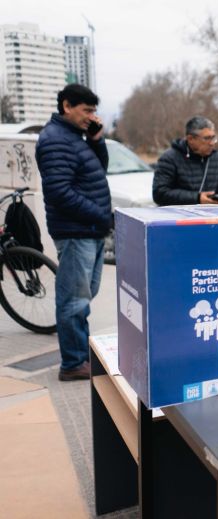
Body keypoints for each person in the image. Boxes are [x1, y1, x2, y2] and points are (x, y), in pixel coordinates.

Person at [36, 84, 112, 381]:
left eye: (94, 111)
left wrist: (96, 140)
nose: (92, 117)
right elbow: (59, 193)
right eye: (87, 111)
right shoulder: (55, 140)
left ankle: (78, 356)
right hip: (76, 231)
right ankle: (73, 363)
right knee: (74, 300)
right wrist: (102, 216)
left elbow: (97, 171)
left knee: (84, 295)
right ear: (67, 106)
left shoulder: (75, 137)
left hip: (88, 230)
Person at [152, 116, 218, 206]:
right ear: (191, 139)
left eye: (213, 138)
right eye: (207, 138)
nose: (212, 143)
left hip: (213, 218)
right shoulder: (169, 159)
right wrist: (197, 198)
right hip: (179, 218)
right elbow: (159, 193)